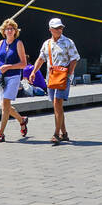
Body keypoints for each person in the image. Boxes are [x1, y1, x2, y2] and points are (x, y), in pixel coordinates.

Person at [28, 17, 79, 145]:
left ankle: (56, 134)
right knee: (57, 106)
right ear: (50, 29)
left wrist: (69, 73)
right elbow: (41, 59)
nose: (60, 30)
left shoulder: (68, 42)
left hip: (64, 77)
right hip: (51, 77)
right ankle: (65, 133)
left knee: (57, 103)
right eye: (57, 28)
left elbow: (75, 58)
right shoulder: (47, 44)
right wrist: (34, 72)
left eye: (61, 27)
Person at [0, 18, 31, 142]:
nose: (9, 31)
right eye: (7, 29)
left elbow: (23, 64)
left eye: (11, 28)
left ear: (15, 31)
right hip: (0, 77)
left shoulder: (18, 43)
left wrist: (9, 66)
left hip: (13, 77)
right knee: (4, 105)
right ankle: (22, 120)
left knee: (5, 105)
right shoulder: (1, 43)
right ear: (4, 31)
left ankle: (0, 134)